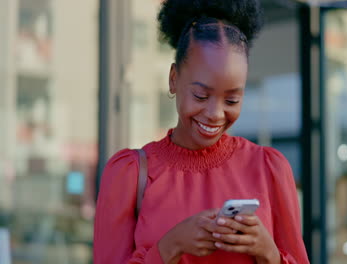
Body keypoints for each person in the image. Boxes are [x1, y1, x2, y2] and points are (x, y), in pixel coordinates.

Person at [93, 0, 309, 263]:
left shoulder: (269, 169)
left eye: (231, 100)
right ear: (173, 79)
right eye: (200, 95)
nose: (215, 114)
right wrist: (171, 245)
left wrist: (268, 252)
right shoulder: (130, 174)